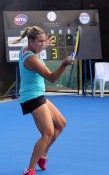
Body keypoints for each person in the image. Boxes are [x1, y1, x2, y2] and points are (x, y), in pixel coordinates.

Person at [16, 26, 75, 175]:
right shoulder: (31, 59)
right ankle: (30, 170)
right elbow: (52, 78)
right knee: (48, 133)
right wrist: (64, 64)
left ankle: (43, 154)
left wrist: (42, 45)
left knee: (61, 123)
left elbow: (38, 47)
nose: (43, 44)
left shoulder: (27, 49)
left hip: (38, 95)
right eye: (40, 41)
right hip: (32, 97)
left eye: (44, 41)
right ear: (30, 41)